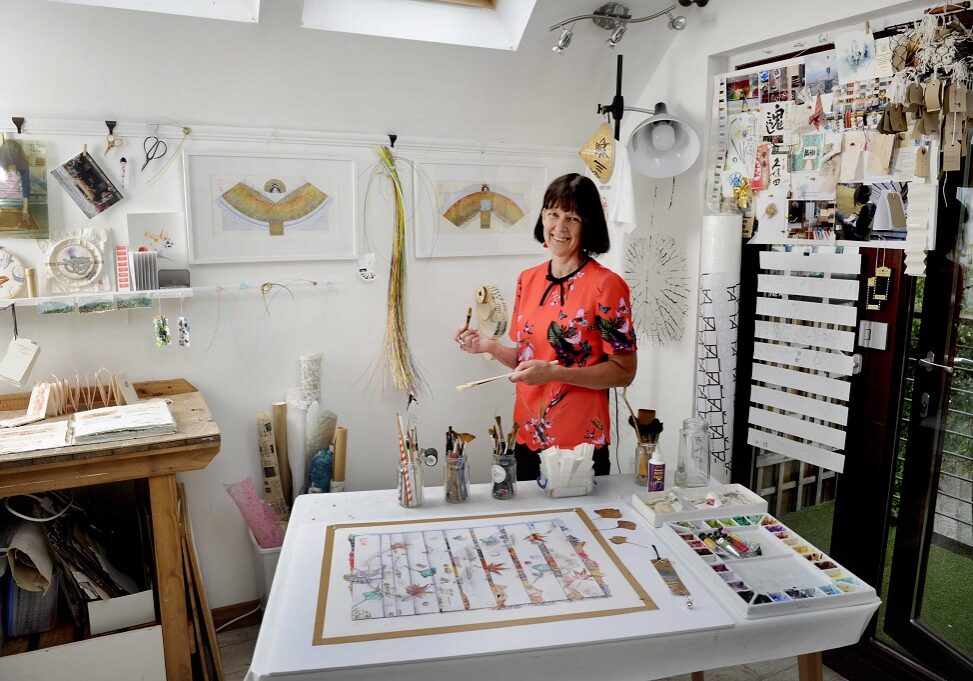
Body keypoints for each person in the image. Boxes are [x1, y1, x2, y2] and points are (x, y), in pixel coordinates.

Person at [454, 173, 637, 480]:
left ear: (588, 224)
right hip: (524, 434)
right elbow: (528, 360)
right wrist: (489, 346)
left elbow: (624, 372)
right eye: (552, 214)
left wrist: (555, 374)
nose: (560, 227)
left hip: (578, 446)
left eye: (573, 217)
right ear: (542, 217)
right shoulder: (528, 279)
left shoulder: (607, 285)